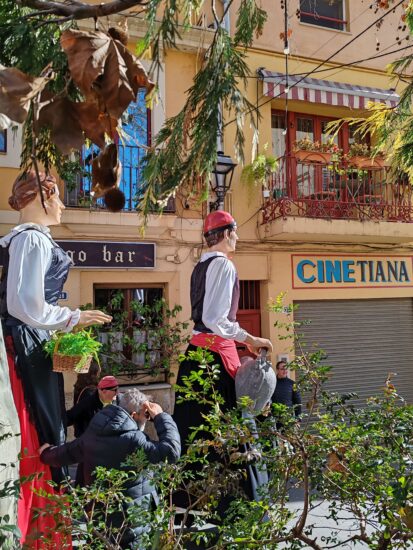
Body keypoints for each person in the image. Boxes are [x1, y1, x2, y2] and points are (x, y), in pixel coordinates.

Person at [0, 171, 112, 547]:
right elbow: (24, 306)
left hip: (26, 343)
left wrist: (64, 333)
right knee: (40, 430)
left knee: (41, 429)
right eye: (58, 196)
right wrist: (73, 317)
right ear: (41, 197)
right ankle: (34, 530)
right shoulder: (31, 238)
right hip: (25, 348)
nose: (63, 204)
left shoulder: (23, 239)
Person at [173, 210, 273, 506]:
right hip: (215, 357)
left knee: (195, 430)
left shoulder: (200, 267)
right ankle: (239, 507)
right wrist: (252, 339)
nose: (238, 238)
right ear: (227, 233)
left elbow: (205, 320)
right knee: (233, 430)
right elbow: (216, 320)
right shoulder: (224, 265)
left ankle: (190, 503)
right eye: (235, 232)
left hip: (197, 355)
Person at [39, 388, 181, 548]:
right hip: (132, 524)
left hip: (100, 520)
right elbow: (171, 452)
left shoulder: (94, 432)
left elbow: (67, 453)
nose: (147, 420)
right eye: (146, 415)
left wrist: (46, 453)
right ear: (134, 415)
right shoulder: (134, 440)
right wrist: (161, 417)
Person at [66, 374, 119, 486]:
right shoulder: (88, 402)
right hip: (89, 446)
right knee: (85, 478)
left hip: (107, 447)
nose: (117, 393)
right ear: (103, 391)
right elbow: (71, 416)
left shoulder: (117, 401)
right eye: (114, 390)